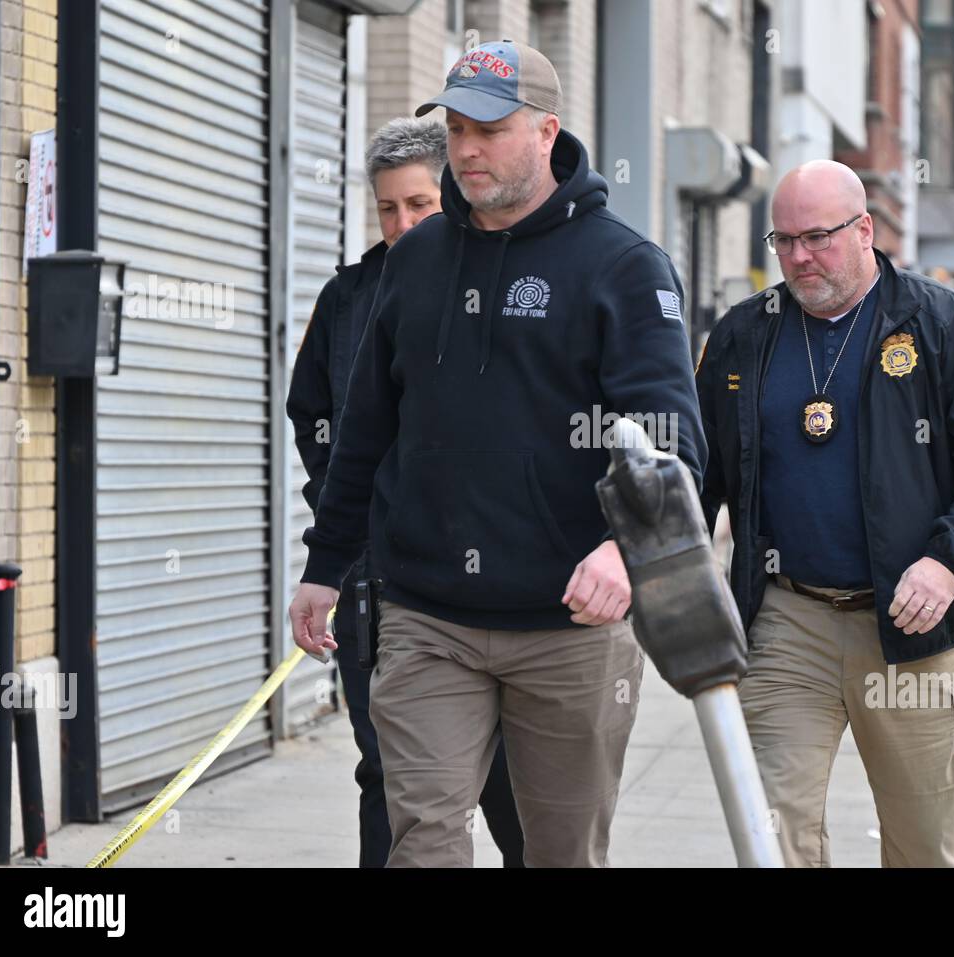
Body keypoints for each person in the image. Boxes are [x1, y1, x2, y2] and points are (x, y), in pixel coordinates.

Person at [287, 40, 705, 867]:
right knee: (425, 840)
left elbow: (671, 438)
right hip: (427, 618)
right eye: (455, 127)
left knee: (560, 852)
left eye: (490, 127)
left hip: (571, 628)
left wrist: (626, 549)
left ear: (546, 131)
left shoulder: (622, 266)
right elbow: (364, 428)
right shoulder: (414, 263)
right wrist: (324, 565)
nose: (467, 147)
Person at [696, 160, 954, 867]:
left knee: (922, 847)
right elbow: (701, 473)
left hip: (912, 628)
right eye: (782, 240)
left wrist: (948, 559)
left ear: (865, 231)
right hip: (787, 621)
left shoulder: (938, 323)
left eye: (815, 237)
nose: (797, 257)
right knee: (770, 835)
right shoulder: (743, 336)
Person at [285, 117, 523, 868]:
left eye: (418, 205)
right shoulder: (347, 298)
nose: (402, 224)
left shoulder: (498, 278)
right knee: (388, 773)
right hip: (374, 586)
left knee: (512, 785)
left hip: (494, 588)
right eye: (388, 208)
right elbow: (314, 415)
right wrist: (348, 517)